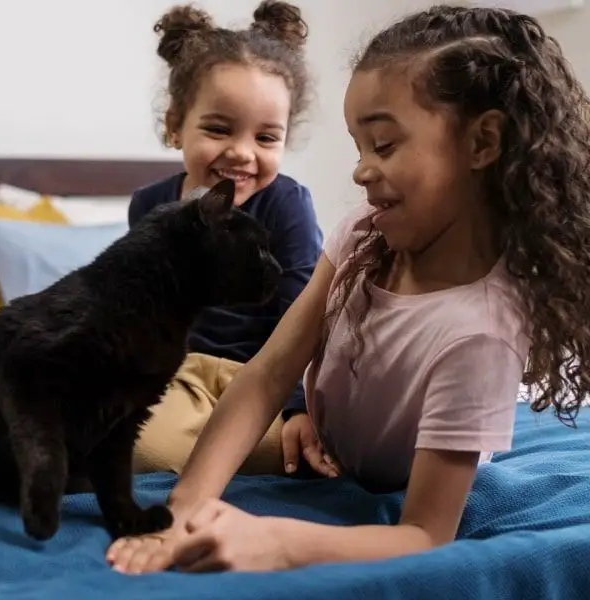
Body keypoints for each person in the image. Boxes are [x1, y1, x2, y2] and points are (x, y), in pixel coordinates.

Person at [109, 4, 590, 573]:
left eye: (382, 145)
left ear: (482, 143)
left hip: (372, 468)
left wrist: (275, 542)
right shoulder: (364, 233)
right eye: (358, 147)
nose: (360, 171)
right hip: (314, 432)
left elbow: (425, 535)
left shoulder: (480, 332)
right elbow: (268, 373)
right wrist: (186, 506)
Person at [130, 1, 325, 477]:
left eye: (265, 138)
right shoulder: (149, 206)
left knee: (339, 440)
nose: (241, 153)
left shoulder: (288, 205)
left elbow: (301, 320)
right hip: (177, 377)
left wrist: (299, 407)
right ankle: (225, 451)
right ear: (175, 126)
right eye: (219, 129)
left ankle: (233, 448)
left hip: (263, 378)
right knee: (141, 448)